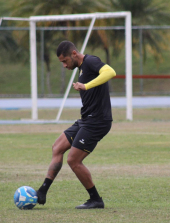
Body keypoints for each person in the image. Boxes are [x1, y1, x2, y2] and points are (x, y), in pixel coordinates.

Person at [36, 40, 116, 209]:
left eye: (65, 61)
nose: (64, 66)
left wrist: (86, 86)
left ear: (74, 54)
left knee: (73, 160)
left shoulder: (90, 61)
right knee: (57, 147)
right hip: (86, 119)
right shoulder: (81, 68)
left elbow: (110, 72)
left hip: (98, 121)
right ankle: (42, 191)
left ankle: (96, 200)